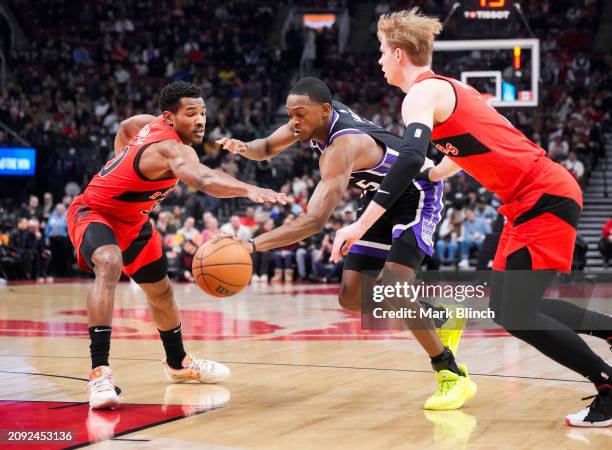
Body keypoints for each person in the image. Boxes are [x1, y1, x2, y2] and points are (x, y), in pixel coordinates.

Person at [331, 8, 612, 427]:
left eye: (382, 51)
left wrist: (360, 223)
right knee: (511, 306)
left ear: (401, 53)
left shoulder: (421, 95)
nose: (379, 60)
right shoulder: (451, 91)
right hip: (529, 198)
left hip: (542, 194)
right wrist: (435, 171)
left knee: (515, 311)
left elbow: (408, 157)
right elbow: (466, 150)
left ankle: (607, 385)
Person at [217, 77, 475, 410]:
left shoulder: (342, 147)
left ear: (325, 110)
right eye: (290, 115)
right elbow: (266, 148)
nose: (294, 122)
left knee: (394, 287)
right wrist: (242, 146)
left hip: (416, 192)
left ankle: (451, 374)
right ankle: (437, 317)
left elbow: (313, 221)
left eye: (300, 115)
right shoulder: (311, 120)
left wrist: (250, 245)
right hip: (378, 197)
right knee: (351, 297)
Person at [67, 81, 286, 410]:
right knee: (109, 261)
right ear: (169, 118)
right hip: (95, 213)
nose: (200, 120)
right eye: (191, 114)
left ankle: (178, 363)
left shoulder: (147, 124)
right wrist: (247, 189)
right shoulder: (172, 149)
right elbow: (205, 180)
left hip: (135, 222)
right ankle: (100, 372)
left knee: (162, 292)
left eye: (203, 113)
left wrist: (124, 163)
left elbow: (128, 127)